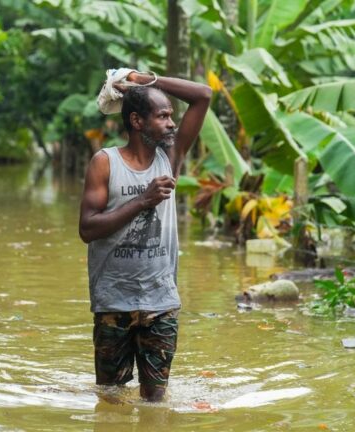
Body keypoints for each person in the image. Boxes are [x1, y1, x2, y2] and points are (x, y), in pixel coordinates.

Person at [78, 71, 212, 402]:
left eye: (171, 115)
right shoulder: (104, 162)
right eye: (163, 116)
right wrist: (143, 201)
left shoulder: (170, 157)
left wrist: (147, 81)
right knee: (109, 398)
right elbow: (87, 228)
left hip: (161, 302)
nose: (171, 124)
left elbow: (203, 95)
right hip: (112, 302)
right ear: (137, 121)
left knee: (155, 402)